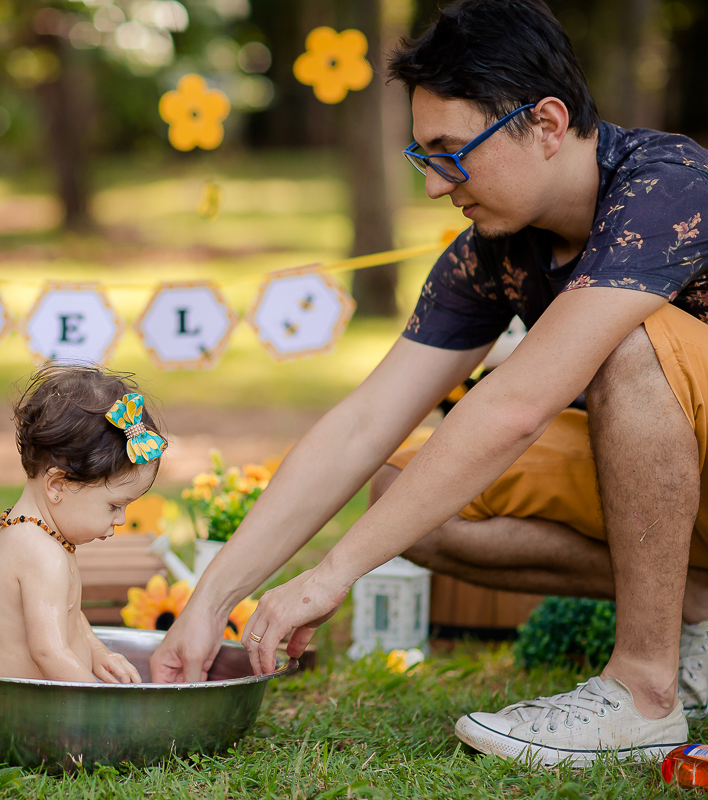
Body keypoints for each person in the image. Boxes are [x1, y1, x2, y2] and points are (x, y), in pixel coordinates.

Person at [152, 0, 708, 766]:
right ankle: (702, 616)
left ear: (546, 124)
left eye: (453, 152)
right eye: (424, 158)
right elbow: (364, 421)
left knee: (624, 341)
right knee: (405, 496)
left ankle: (645, 693)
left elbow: (517, 406)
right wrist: (209, 600)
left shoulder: (667, 186)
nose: (437, 187)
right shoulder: (493, 249)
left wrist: (336, 571)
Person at [0, 366, 163, 683]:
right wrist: (101, 705)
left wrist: (98, 651)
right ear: (58, 485)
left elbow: (68, 614)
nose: (122, 519)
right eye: (115, 505)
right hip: (22, 711)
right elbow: (49, 652)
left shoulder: (37, 534)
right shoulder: (40, 553)